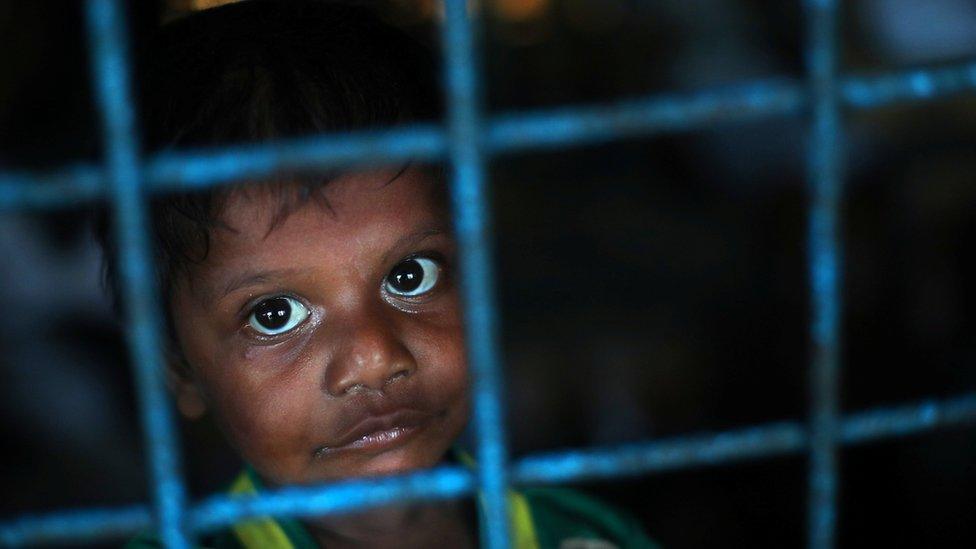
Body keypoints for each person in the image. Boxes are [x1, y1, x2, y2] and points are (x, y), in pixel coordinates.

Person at [95, 1, 656, 547]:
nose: (373, 356)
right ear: (176, 362)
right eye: (274, 315)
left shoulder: (582, 535)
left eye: (411, 275)